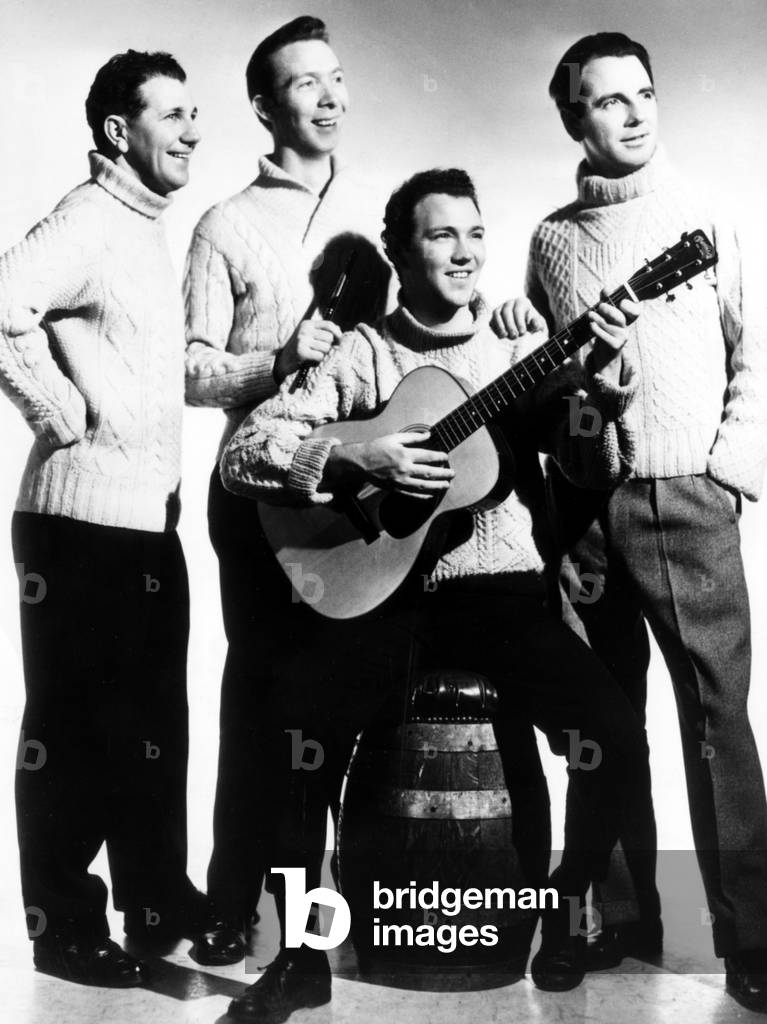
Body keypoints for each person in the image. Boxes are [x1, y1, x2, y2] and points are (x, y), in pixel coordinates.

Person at [217, 168, 648, 1021]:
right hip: (389, 600)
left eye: (475, 234)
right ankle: (301, 957)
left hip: (503, 597)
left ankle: (564, 913)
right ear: (398, 252)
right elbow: (246, 455)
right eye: (440, 235)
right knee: (290, 730)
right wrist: (352, 459)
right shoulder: (365, 354)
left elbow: (593, 467)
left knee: (609, 729)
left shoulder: (519, 349)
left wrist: (604, 388)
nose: (464, 252)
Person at [516, 30, 767, 1014]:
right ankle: (616, 918)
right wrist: (579, 384)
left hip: (686, 500)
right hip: (587, 510)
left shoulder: (704, 214)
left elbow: (757, 351)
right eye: (603, 101)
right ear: (570, 117)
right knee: (600, 724)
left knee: (713, 724)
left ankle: (747, 936)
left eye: (640, 95)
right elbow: (554, 397)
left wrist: (722, 469)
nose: (629, 114)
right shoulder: (550, 239)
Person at [183, 15, 390, 966]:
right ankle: (235, 908)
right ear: (265, 107)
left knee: (345, 698)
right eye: (306, 83)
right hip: (256, 490)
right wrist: (270, 363)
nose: (330, 96)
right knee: (261, 700)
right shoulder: (226, 223)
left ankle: (335, 915)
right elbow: (187, 369)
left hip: (359, 494)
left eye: (336, 77)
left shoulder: (382, 211)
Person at [0, 49, 203, 986]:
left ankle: (156, 898)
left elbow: (171, 377)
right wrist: (57, 410)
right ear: (119, 133)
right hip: (77, 526)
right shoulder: (90, 217)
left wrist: (268, 369)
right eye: (172, 115)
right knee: (75, 732)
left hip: (142, 528)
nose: (193, 131)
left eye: (194, 114)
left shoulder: (143, 231)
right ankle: (65, 928)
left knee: (151, 721)